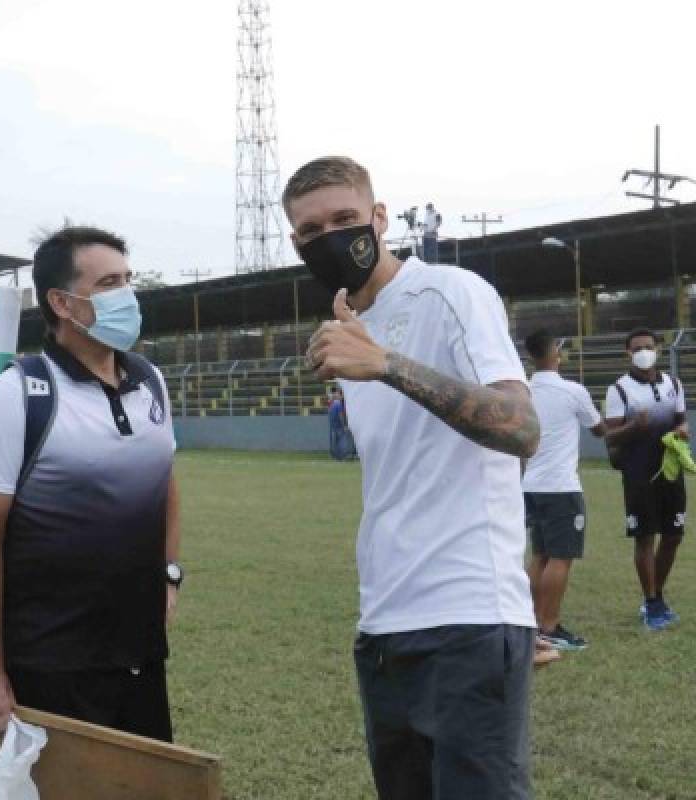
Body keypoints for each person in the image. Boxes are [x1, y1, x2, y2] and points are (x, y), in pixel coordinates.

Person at [290, 156, 540, 799]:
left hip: (471, 614)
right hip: (383, 622)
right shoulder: (350, 328)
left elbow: (520, 426)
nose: (332, 238)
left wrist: (387, 364)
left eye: (346, 219)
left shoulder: (452, 292)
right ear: (297, 246)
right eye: (312, 231)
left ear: (378, 218)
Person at [0, 225, 181, 741]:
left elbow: (166, 482)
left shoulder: (150, 381)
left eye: (129, 280)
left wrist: (169, 575)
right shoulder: (17, 396)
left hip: (139, 652)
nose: (127, 295)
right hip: (51, 660)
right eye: (109, 284)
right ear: (62, 302)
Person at [522, 330, 605, 651]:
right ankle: (549, 626)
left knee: (540, 555)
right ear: (555, 352)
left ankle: (530, 622)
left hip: (530, 485)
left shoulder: (525, 390)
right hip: (561, 487)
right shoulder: (573, 391)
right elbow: (598, 429)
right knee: (561, 558)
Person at [604, 328, 687, 630]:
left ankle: (657, 596)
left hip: (671, 471)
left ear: (658, 349)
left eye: (648, 347)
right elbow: (610, 436)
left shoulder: (674, 384)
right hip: (638, 475)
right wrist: (634, 427)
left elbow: (680, 420)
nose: (643, 352)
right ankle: (652, 604)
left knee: (674, 535)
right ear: (628, 352)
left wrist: (682, 431)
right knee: (645, 537)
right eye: (637, 348)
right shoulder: (619, 390)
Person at [327, 385, 356, 461]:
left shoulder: (332, 404)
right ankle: (342, 456)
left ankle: (336, 457)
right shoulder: (338, 404)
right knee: (342, 442)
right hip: (339, 426)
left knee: (335, 443)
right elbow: (341, 416)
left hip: (333, 426)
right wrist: (344, 425)